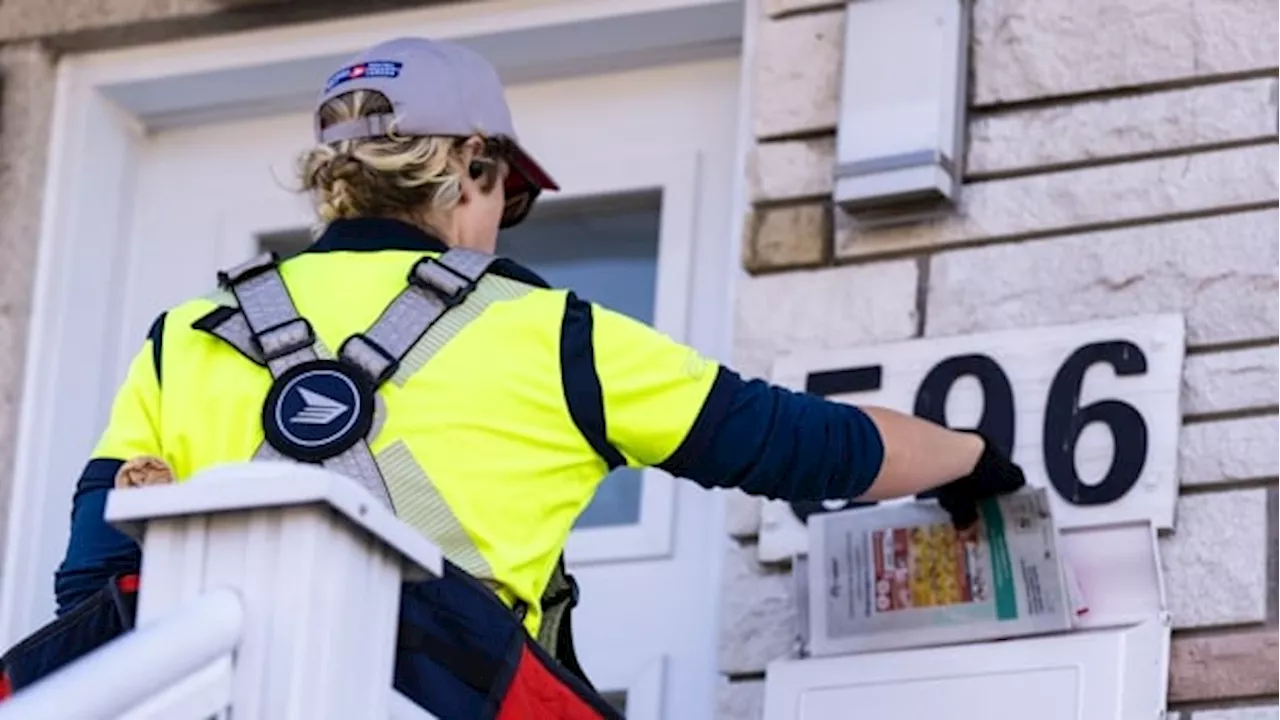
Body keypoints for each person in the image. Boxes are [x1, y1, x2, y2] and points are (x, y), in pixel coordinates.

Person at [0, 37, 1025, 718]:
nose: (499, 221)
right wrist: (973, 459)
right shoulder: (549, 334)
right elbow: (806, 448)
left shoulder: (188, 335)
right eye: (508, 195)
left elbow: (89, 590)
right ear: (469, 168)